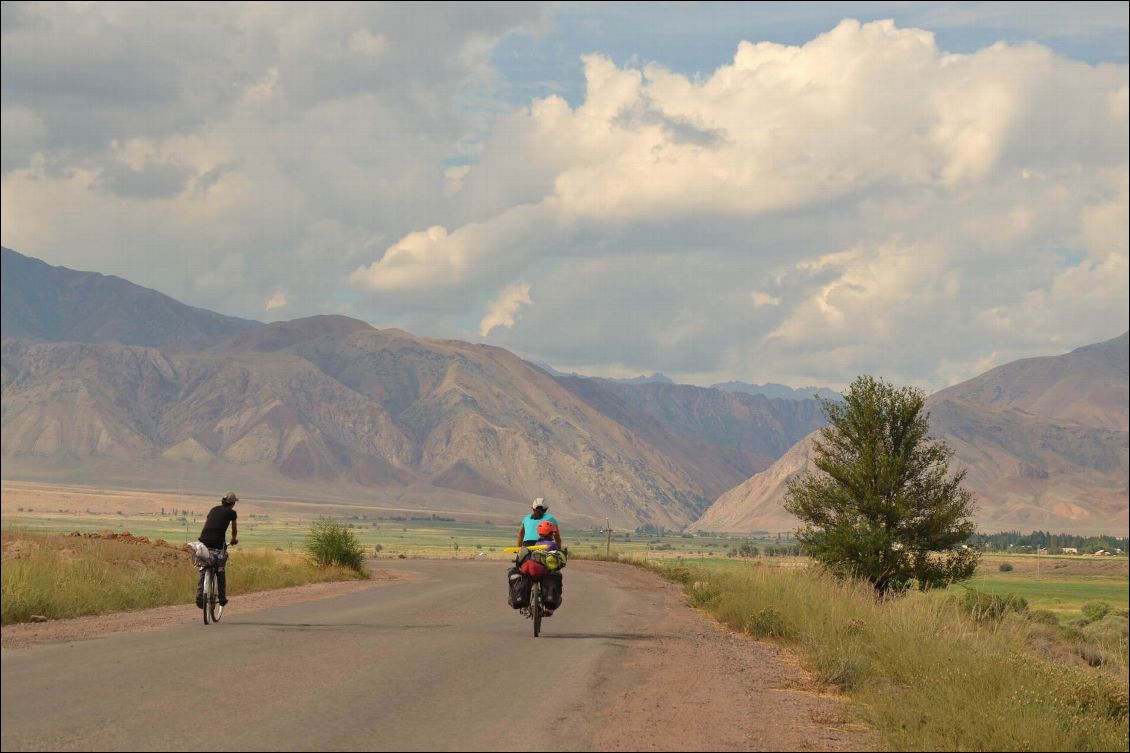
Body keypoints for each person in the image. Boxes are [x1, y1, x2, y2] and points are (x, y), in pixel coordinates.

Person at [196, 491, 239, 609]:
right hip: (218, 543)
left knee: (204, 566)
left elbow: (205, 525)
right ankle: (222, 597)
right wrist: (234, 539)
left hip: (204, 541)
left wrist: (202, 539)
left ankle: (199, 596)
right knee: (220, 568)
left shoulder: (213, 509)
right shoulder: (232, 513)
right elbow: (234, 530)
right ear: (233, 503)